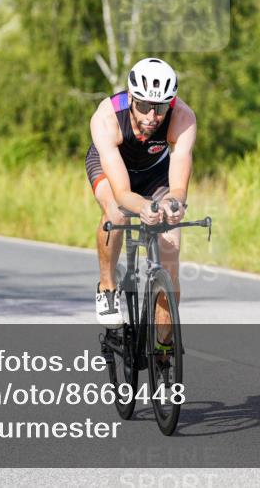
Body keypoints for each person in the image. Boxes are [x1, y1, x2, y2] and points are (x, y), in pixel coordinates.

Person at [86, 58, 197, 339]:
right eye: (144, 105)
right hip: (113, 168)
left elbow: (178, 184)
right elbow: (123, 193)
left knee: (170, 251)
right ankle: (108, 288)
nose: (152, 116)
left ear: (170, 103)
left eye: (159, 108)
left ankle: (162, 346)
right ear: (131, 97)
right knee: (117, 213)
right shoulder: (107, 118)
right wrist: (144, 206)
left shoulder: (183, 117)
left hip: (154, 172)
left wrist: (175, 204)